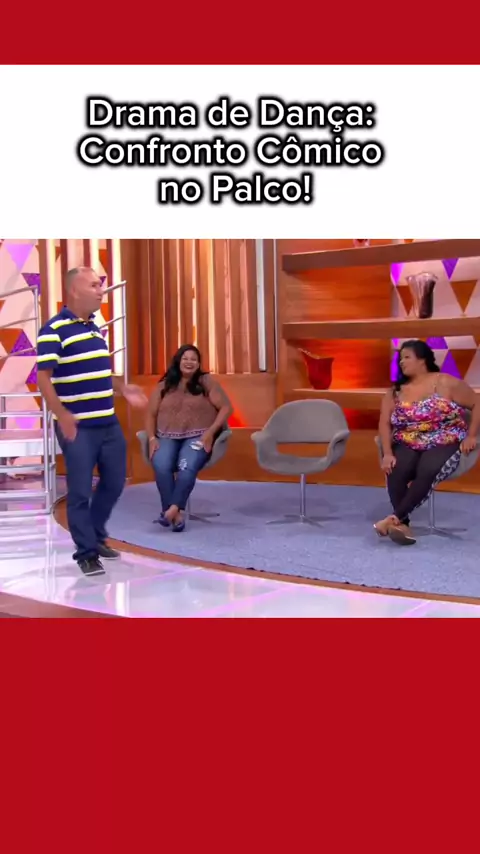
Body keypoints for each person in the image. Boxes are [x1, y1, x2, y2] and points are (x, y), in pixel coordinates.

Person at [36, 266, 147, 576]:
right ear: (74, 290)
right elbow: (43, 378)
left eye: (101, 285)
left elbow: (99, 372)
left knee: (114, 483)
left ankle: (95, 536)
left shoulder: (95, 329)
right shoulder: (54, 329)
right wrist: (62, 414)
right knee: (80, 491)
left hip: (108, 423)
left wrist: (123, 387)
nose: (101, 291)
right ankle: (86, 552)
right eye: (95, 285)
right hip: (78, 427)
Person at [374, 339, 479, 545]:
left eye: (407, 357)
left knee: (427, 469)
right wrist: (387, 453)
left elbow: (477, 403)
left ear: (422, 360)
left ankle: (394, 519)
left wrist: (472, 435)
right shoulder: (395, 391)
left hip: (444, 438)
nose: (401, 362)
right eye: (400, 358)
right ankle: (402, 524)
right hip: (408, 440)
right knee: (395, 470)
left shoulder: (445, 382)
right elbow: (384, 423)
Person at [145, 344, 233, 531]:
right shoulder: (165, 385)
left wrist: (210, 434)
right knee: (161, 465)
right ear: (178, 361)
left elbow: (226, 408)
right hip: (166, 435)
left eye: (194, 359)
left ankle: (171, 510)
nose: (189, 362)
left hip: (198, 435)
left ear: (199, 364)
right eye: (185, 358)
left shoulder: (206, 381)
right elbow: (150, 414)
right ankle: (175, 514)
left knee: (186, 467)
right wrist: (152, 438)